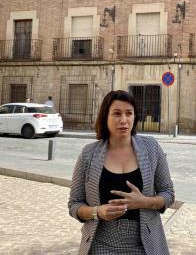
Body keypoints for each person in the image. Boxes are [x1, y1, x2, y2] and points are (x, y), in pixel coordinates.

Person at [68, 90, 175, 255]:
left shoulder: (151, 148)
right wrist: (97, 212)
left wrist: (145, 202)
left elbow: (168, 194)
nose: (124, 120)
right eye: (117, 114)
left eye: (129, 113)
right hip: (100, 245)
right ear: (105, 117)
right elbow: (74, 204)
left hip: (145, 245)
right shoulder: (88, 154)